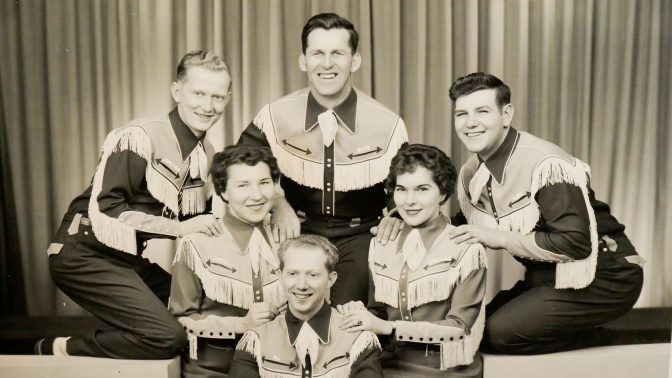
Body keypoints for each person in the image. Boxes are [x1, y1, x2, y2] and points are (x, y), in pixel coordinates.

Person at [36, 50, 232, 358]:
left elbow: (202, 224)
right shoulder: (138, 137)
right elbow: (105, 210)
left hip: (126, 259)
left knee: (208, 309)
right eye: (199, 93)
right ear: (176, 91)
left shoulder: (206, 152)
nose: (208, 106)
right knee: (168, 338)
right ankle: (62, 348)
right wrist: (180, 228)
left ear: (228, 98)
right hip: (83, 253)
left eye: (218, 97)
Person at [447, 72, 644, 354]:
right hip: (546, 278)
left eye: (482, 111)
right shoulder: (472, 171)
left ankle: (600, 341)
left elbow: (575, 244)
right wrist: (406, 221)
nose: (470, 123)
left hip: (605, 276)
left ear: (506, 114)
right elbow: (462, 226)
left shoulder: (545, 163)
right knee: (472, 330)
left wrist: (498, 237)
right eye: (461, 114)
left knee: (497, 334)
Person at [237, 12, 408, 306]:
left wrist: (396, 214)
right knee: (278, 317)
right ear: (303, 60)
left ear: (355, 60)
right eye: (317, 53)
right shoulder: (274, 116)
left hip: (359, 236)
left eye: (337, 54)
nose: (326, 64)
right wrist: (276, 200)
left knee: (344, 324)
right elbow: (239, 166)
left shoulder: (387, 123)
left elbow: (406, 181)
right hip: (293, 230)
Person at [339, 144, 487, 377]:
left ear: (443, 193)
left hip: (445, 369)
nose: (409, 201)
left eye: (422, 189)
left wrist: (390, 328)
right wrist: (360, 314)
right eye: (401, 189)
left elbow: (460, 329)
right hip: (387, 366)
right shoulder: (381, 243)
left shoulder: (466, 248)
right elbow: (378, 311)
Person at [169, 145, 287, 376]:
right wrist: (240, 324)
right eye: (242, 185)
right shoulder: (195, 244)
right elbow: (181, 319)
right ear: (223, 192)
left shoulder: (285, 235)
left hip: (277, 367)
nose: (256, 195)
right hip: (215, 369)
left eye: (264, 183)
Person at [229, 234, 383, 377]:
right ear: (279, 277)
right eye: (292, 274)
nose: (302, 285)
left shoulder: (358, 339)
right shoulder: (256, 339)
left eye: (313, 275)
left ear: (331, 279)